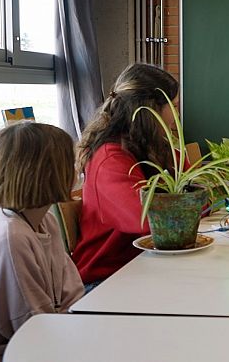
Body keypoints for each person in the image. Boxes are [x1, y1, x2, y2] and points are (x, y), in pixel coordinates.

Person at [0, 122, 83, 361]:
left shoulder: (45, 221)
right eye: (70, 163)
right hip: (10, 354)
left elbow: (72, 292)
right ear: (48, 172)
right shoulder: (11, 240)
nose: (76, 169)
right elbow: (35, 329)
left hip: (38, 342)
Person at [71, 63, 180, 288]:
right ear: (151, 109)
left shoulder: (155, 146)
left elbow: (200, 186)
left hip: (147, 266)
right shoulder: (109, 158)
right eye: (174, 106)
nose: (177, 115)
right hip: (106, 280)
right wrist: (195, 201)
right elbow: (149, 220)